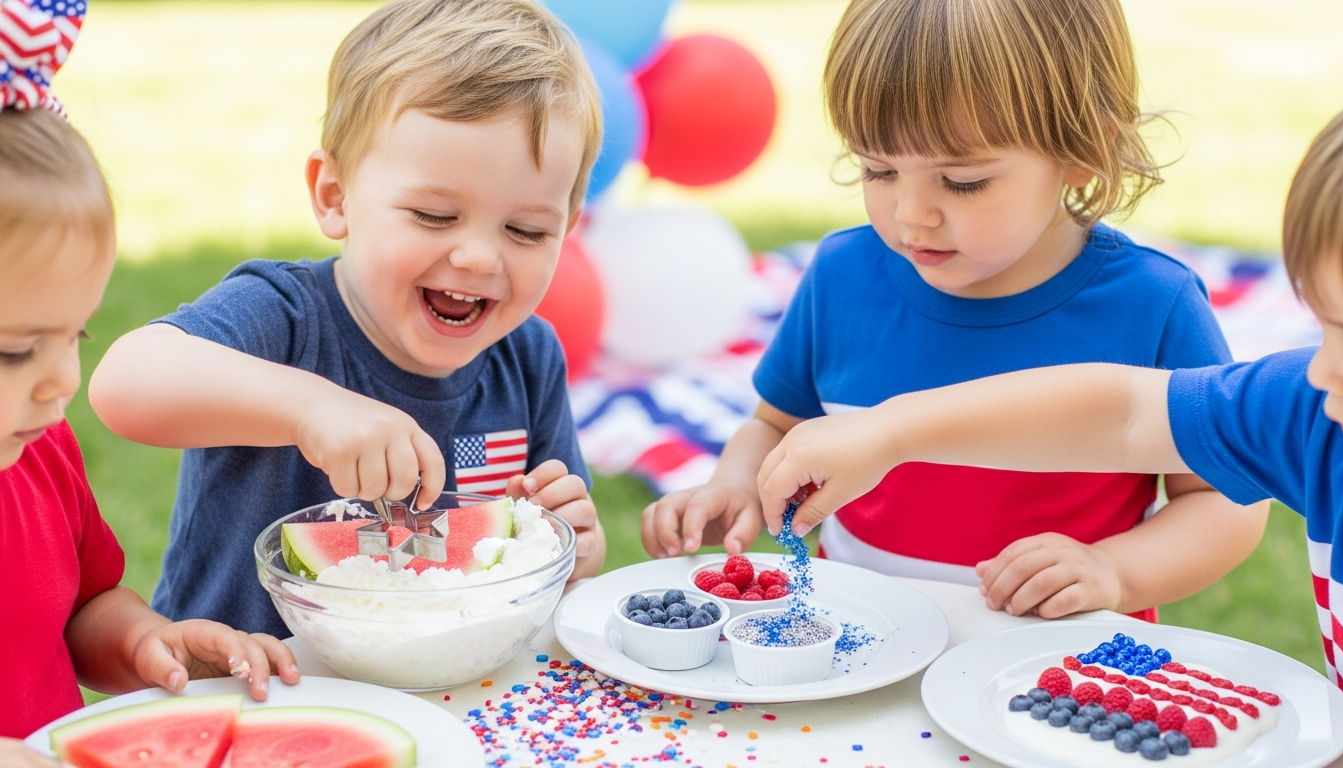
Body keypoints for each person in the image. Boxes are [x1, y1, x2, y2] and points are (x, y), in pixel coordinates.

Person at [756, 65, 1343, 757]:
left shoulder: (1160, 306)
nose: (1319, 367)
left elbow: (1214, 505)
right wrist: (889, 431)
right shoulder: (1316, 417)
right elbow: (1126, 414)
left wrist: (1115, 572)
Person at [640, 0, 1266, 621]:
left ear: (1083, 150)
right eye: (878, 169)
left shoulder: (1151, 305)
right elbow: (776, 426)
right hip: (857, 642)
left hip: (1058, 669)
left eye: (962, 181)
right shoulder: (842, 278)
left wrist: (1115, 571)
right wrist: (737, 486)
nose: (912, 213)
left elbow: (1226, 498)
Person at [88, 0, 606, 638]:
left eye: (526, 230)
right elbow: (124, 382)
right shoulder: (286, 315)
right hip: (245, 689)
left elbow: (550, 566)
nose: (476, 257)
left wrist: (573, 548)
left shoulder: (528, 357)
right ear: (335, 197)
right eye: (434, 216)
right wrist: (312, 410)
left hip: (441, 690)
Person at [0, 43, 297, 761]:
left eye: (75, 334)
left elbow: (81, 610)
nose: (60, 381)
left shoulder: (38, 450)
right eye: (14, 350)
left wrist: (146, 643)